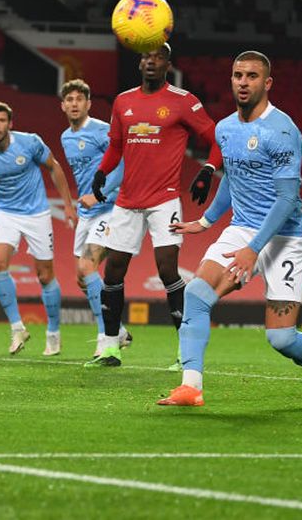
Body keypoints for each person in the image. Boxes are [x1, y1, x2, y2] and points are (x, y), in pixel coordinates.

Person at [160, 51, 302, 406]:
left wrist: (254, 248)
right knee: (196, 296)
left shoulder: (282, 131)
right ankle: (191, 387)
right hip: (243, 228)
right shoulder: (225, 128)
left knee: (281, 339)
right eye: (238, 75)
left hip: (286, 237)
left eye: (252, 76)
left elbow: (287, 198)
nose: (243, 82)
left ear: (267, 83)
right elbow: (233, 177)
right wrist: (206, 221)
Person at [85, 43, 222, 368]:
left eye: (158, 57)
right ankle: (110, 347)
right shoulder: (123, 101)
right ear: (140, 63)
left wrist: (207, 169)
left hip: (164, 200)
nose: (151, 62)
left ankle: (185, 352)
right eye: (147, 56)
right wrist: (102, 172)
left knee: (167, 270)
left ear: (167, 65)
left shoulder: (183, 101)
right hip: (127, 201)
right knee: (113, 271)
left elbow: (217, 138)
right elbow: (116, 146)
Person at [0, 101, 77, 357]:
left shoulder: (29, 143)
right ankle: (17, 328)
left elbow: (54, 166)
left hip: (37, 213)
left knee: (45, 276)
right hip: (6, 213)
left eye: (1, 120)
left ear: (10, 124)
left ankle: (53, 333)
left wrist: (68, 205)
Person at [58, 79, 131, 357]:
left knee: (87, 266)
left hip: (110, 208)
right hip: (87, 212)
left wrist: (100, 195)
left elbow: (123, 165)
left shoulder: (102, 131)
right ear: (63, 106)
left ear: (88, 104)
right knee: (81, 276)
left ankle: (105, 336)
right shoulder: (66, 137)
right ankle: (119, 331)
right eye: (69, 99)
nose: (74, 104)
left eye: (80, 99)